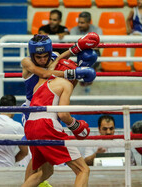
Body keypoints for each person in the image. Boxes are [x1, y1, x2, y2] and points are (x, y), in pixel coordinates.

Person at [22, 58, 95, 187]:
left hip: (30, 126)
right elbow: (63, 114)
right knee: (83, 170)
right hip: (46, 126)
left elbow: (51, 68)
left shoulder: (40, 82)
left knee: (46, 171)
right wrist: (77, 126)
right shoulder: (66, 84)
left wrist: (72, 50)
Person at [21, 34, 99, 124]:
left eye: (45, 56)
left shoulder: (55, 56)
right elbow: (45, 74)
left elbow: (68, 82)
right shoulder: (27, 62)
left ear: (49, 53)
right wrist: (73, 73)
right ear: (32, 55)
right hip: (32, 108)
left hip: (53, 107)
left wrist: (76, 49)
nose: (42, 59)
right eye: (38, 57)